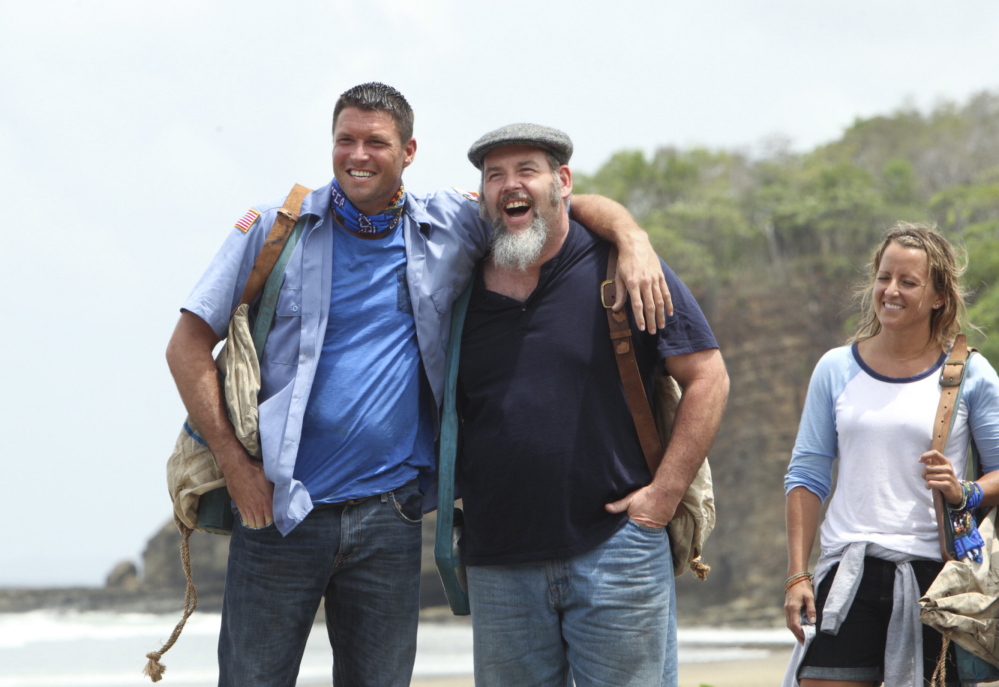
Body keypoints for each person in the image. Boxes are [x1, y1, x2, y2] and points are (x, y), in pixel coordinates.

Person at [165, 83, 670, 687]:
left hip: (390, 518)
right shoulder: (275, 228)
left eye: (375, 142)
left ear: (408, 151)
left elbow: (545, 203)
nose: (358, 154)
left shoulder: (451, 222)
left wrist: (632, 238)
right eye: (345, 140)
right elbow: (186, 344)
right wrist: (237, 467)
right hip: (279, 511)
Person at [453, 123, 729, 687]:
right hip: (497, 562)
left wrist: (663, 498)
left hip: (617, 551)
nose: (511, 185)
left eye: (526, 170)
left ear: (562, 183)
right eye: (495, 175)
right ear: (481, 193)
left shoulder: (621, 270)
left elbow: (708, 377)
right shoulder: (453, 282)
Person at [783, 223, 999, 686]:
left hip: (935, 577)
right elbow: (807, 474)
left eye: (908, 282)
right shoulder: (836, 368)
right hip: (847, 569)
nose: (891, 291)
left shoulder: (971, 374)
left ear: (938, 296)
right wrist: (797, 575)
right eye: (884, 277)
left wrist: (966, 489)